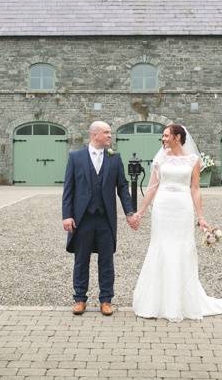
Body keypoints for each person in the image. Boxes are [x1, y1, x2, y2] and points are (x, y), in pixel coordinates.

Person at [132, 123, 222, 321]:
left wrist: (201, 217)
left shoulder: (193, 160)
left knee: (182, 248)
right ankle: (157, 301)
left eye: (166, 135)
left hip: (182, 208)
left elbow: (195, 189)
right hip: (163, 207)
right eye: (163, 136)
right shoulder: (160, 159)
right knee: (161, 247)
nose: (163, 139)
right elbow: (152, 188)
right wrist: (140, 212)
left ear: (177, 137)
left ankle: (183, 301)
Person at [62, 121, 138, 316]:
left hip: (105, 218)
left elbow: (122, 187)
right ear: (94, 135)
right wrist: (67, 216)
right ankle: (79, 299)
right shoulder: (75, 157)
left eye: (110, 133)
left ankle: (106, 300)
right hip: (82, 218)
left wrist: (129, 212)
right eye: (106, 133)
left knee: (106, 261)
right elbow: (69, 189)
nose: (110, 136)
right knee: (81, 260)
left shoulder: (114, 158)